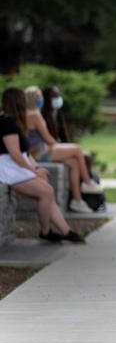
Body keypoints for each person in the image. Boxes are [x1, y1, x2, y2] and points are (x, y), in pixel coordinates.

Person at [0, 87, 85, 243]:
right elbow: (15, 154)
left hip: (18, 166)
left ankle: (65, 231)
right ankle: (46, 231)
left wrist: (37, 168)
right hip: (8, 168)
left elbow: (25, 153)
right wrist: (34, 171)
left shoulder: (14, 121)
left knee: (47, 191)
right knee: (46, 192)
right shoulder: (6, 122)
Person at [24, 86, 103, 213]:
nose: (40, 99)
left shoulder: (30, 112)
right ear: (29, 98)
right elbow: (48, 139)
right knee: (76, 149)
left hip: (38, 150)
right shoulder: (34, 114)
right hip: (38, 152)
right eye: (37, 96)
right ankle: (88, 183)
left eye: (41, 96)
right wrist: (58, 146)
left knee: (74, 162)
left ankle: (77, 201)